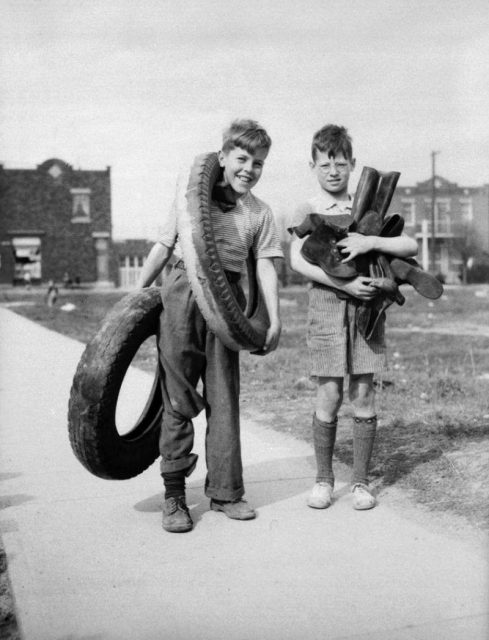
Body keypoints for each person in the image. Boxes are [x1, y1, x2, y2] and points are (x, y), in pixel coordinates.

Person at [137, 119, 283, 533]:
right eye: (242, 159)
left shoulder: (259, 213)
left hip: (229, 304)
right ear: (222, 157)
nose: (249, 169)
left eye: (258, 163)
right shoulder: (190, 198)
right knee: (178, 396)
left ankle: (226, 493)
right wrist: (136, 295)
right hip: (183, 290)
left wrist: (274, 319)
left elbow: (266, 266)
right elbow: (164, 245)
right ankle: (175, 497)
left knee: (224, 397)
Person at [288, 124, 418, 511]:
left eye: (341, 163)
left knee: (363, 391)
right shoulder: (306, 210)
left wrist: (371, 241)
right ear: (312, 165)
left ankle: (360, 482)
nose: (333, 171)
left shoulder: (368, 210)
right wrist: (343, 286)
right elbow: (298, 260)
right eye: (325, 163)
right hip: (327, 308)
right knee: (329, 393)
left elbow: (409, 244)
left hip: (369, 310)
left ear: (352, 165)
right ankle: (324, 480)